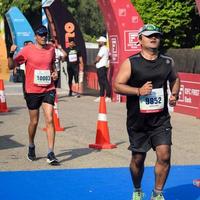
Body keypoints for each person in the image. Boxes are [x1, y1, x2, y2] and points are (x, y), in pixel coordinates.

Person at [114, 24, 180, 200]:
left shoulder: (167, 62)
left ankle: (157, 194)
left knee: (164, 155)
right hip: (138, 121)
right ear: (140, 39)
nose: (153, 38)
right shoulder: (131, 62)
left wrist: (175, 94)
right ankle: (137, 189)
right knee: (138, 159)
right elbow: (117, 85)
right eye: (149, 35)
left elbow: (175, 79)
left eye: (157, 35)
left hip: (161, 120)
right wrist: (138, 91)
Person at [8, 25, 59, 165]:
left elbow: (53, 66)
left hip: (48, 88)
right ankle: (31, 145)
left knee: (49, 118)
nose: (44, 37)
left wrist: (55, 73)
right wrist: (11, 54)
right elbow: (11, 66)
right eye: (41, 34)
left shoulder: (51, 49)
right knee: (34, 122)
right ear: (36, 36)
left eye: (45, 34)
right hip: (32, 90)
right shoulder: (27, 50)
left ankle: (50, 152)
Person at [94, 36, 111, 102]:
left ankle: (108, 96)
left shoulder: (103, 49)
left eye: (99, 42)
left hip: (101, 67)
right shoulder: (106, 48)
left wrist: (94, 62)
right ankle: (101, 96)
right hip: (101, 67)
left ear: (102, 42)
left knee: (104, 81)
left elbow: (98, 58)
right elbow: (109, 57)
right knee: (101, 82)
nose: (98, 43)